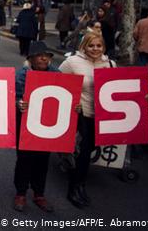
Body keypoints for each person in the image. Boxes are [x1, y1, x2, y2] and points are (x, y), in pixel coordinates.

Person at [58, 32, 115, 208]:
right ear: (84, 46)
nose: (95, 49)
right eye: (91, 45)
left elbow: (120, 90)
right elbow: (55, 82)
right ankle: (75, 188)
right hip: (80, 114)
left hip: (101, 117)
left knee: (89, 150)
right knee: (83, 154)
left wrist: (144, 96)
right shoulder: (72, 62)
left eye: (99, 46)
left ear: (103, 47)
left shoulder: (111, 64)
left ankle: (73, 171)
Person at [13, 41, 57, 213]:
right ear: (31, 58)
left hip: (47, 125)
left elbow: (67, 93)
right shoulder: (22, 75)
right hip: (25, 124)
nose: (44, 58)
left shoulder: (56, 74)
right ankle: (21, 192)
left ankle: (39, 193)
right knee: (24, 158)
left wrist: (74, 106)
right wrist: (19, 103)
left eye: (47, 55)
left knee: (43, 159)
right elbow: (12, 96)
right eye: (40, 55)